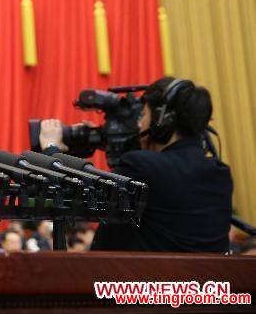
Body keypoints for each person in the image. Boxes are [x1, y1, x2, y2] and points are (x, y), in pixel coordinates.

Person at [39, 76, 233, 253]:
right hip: (205, 289)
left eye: (144, 115)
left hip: (137, 288)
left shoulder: (142, 166)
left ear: (162, 121)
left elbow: (79, 192)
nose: (140, 125)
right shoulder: (220, 174)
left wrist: (51, 149)